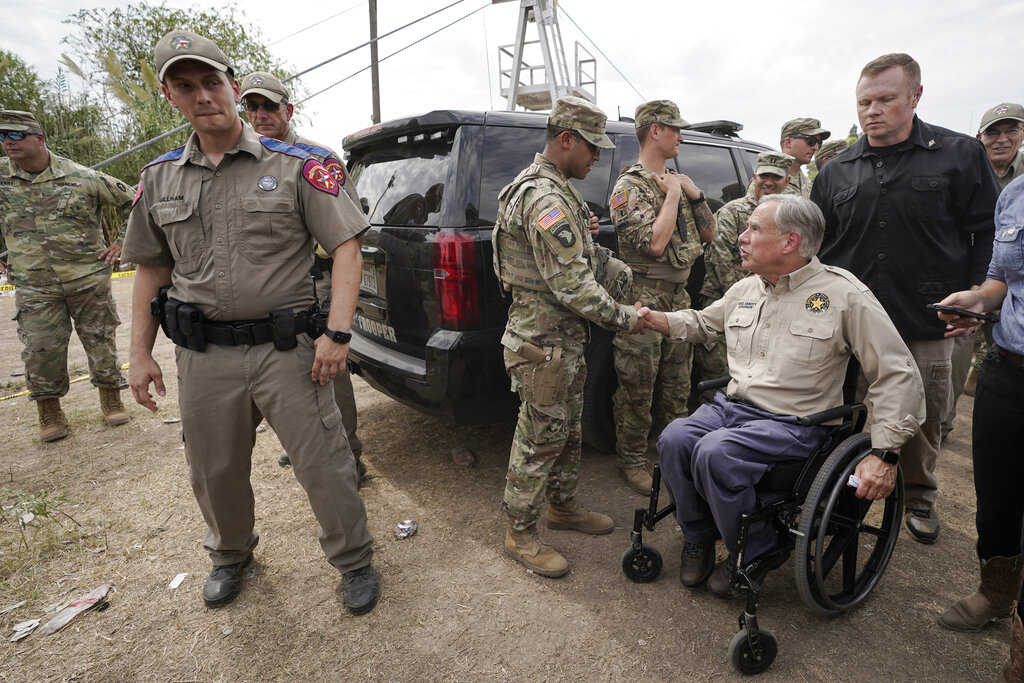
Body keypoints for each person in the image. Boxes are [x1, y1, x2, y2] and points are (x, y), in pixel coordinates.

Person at [122, 30, 379, 615]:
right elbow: (150, 271)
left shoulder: (300, 166)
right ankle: (230, 555)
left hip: (288, 351)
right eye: (186, 86)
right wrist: (139, 354)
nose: (203, 96)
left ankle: (354, 560)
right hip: (204, 355)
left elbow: (346, 247)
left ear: (233, 88)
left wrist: (338, 335)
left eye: (212, 82)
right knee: (213, 468)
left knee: (324, 463)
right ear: (170, 96)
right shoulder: (159, 178)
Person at [642, 194, 925, 597]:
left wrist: (885, 453)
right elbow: (705, 323)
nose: (742, 237)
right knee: (674, 438)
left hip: (795, 425)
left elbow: (897, 371)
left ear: (790, 242)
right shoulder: (748, 288)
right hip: (733, 409)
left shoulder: (843, 295)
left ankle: (760, 547)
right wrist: (656, 320)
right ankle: (700, 534)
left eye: (754, 229)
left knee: (715, 453)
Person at [810, 52, 999, 544]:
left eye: (885, 99)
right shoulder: (836, 170)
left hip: (926, 320)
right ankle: (842, 494)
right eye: (864, 102)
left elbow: (987, 234)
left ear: (915, 96)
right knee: (845, 410)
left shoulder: (959, 154)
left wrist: (977, 297)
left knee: (921, 414)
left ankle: (918, 496)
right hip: (850, 326)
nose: (871, 111)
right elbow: (818, 247)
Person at [492, 96, 644, 578]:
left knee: (568, 430)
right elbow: (572, 284)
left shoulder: (558, 190)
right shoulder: (545, 197)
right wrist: (625, 317)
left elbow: (582, 256)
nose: (598, 157)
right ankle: (519, 532)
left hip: (563, 341)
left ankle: (562, 507)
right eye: (592, 148)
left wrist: (618, 272)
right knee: (538, 438)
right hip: (543, 345)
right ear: (566, 140)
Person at [238, 71, 364, 477]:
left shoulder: (317, 158)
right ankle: (302, 441)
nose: (260, 115)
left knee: (328, 369)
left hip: (316, 282)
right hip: (268, 288)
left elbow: (348, 232)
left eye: (269, 106)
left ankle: (350, 457)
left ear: (287, 110)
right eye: (252, 107)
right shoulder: (238, 158)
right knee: (282, 370)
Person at [0, 109, 134, 442]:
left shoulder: (82, 176)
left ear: (39, 138)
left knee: (100, 340)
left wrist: (122, 243)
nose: (7, 143)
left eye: (15, 135)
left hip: (88, 278)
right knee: (40, 348)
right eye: (1, 137)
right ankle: (49, 412)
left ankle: (111, 399)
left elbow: (135, 200)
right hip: (34, 284)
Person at [934, 177, 1024, 652]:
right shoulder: (1015, 194)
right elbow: (1002, 278)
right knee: (998, 495)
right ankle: (997, 592)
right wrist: (978, 300)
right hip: (1008, 369)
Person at [609, 100, 715, 494]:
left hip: (678, 297)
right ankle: (632, 459)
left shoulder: (677, 179)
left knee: (677, 384)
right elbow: (655, 244)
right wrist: (672, 195)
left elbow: (710, 234)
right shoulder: (630, 187)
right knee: (638, 385)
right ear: (655, 130)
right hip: (643, 295)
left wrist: (694, 193)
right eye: (675, 129)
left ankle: (673, 450)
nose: (681, 137)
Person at [942, 102, 1022, 441]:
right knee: (962, 353)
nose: (1002, 139)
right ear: (981, 137)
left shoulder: (1018, 183)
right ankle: (944, 423)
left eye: (1010, 130)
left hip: (1005, 287)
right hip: (985, 281)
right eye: (993, 132)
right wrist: (977, 293)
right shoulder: (969, 173)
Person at [695, 151, 794, 383]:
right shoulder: (733, 211)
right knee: (720, 376)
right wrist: (749, 296)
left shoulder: (793, 214)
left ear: (787, 181)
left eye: (776, 177)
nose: (768, 182)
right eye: (763, 176)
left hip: (778, 303)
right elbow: (718, 258)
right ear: (754, 177)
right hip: (728, 301)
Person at [779, 118, 830, 197]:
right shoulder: (769, 179)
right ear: (788, 142)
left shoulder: (809, 185)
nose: (816, 148)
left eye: (819, 143)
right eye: (811, 141)